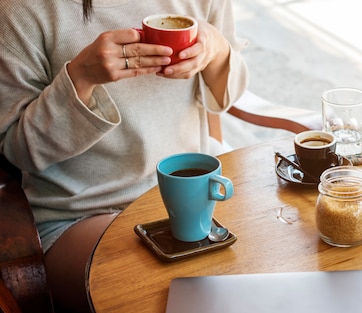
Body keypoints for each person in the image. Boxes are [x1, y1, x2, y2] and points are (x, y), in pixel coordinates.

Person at [0, 1, 248, 312]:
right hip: (83, 214)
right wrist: (81, 78)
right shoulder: (22, 11)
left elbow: (228, 95)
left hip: (195, 198)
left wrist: (217, 49)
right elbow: (18, 150)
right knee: (183, 294)